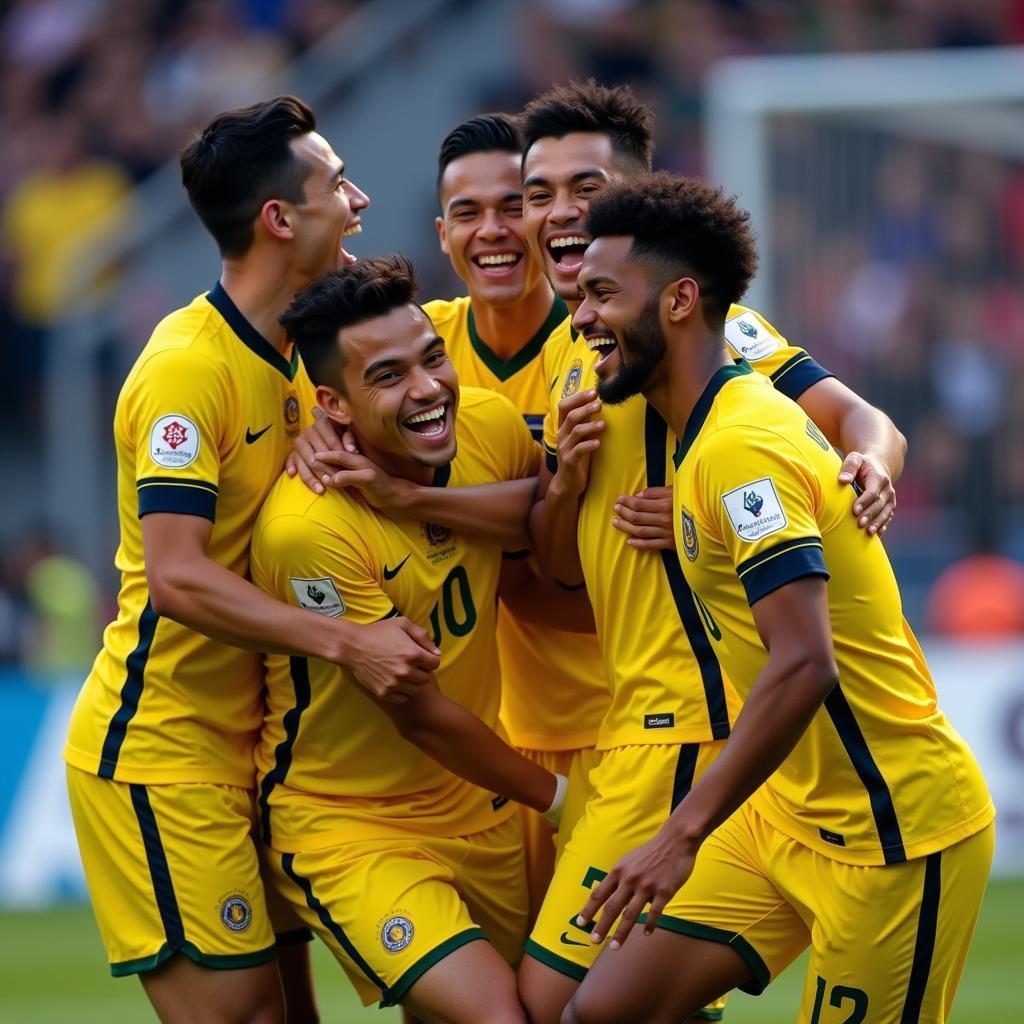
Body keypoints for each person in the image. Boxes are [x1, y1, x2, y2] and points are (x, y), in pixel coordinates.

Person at [516, 80, 908, 1024]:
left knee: (550, 1001)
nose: (560, 211)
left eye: (586, 186)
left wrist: (870, 460)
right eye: (539, 193)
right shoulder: (578, 345)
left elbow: (853, 417)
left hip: (699, 727)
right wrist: (558, 490)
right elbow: (556, 570)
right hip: (630, 720)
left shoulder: (711, 347)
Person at [564, 172, 994, 1024]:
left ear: (681, 302)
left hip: (893, 834)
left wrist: (679, 833)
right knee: (604, 1012)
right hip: (784, 817)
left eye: (602, 294)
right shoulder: (701, 435)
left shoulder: (739, 446)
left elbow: (805, 665)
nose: (580, 318)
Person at [63, 96, 438, 1024]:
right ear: (279, 219)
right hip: (165, 747)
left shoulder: (300, 358)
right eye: (336, 183)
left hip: (257, 751)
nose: (358, 198)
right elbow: (179, 575)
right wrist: (349, 643)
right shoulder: (187, 371)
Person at [252, 255, 565, 1023]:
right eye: (389, 377)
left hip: (485, 802)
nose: (428, 389)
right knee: (501, 1017)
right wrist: (563, 799)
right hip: (353, 821)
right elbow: (418, 713)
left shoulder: (489, 425)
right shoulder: (309, 528)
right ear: (335, 406)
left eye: (433, 359)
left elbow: (552, 516)